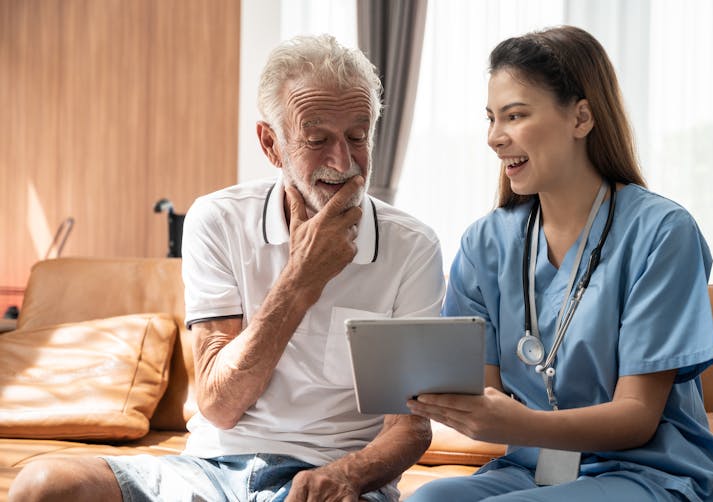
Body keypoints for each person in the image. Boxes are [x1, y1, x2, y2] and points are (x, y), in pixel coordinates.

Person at [9, 34, 445, 502]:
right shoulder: (217, 220)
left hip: (330, 475)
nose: (343, 161)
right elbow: (219, 405)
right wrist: (302, 278)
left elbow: (411, 429)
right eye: (317, 140)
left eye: (357, 138)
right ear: (271, 144)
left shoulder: (412, 246)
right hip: (210, 469)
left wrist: (346, 476)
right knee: (44, 485)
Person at [405, 25, 713, 502]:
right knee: (427, 499)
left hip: (648, 469)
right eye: (491, 119)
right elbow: (483, 396)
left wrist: (521, 422)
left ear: (581, 117)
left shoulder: (662, 232)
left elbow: (637, 416)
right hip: (535, 468)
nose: (495, 138)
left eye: (515, 115)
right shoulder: (486, 241)